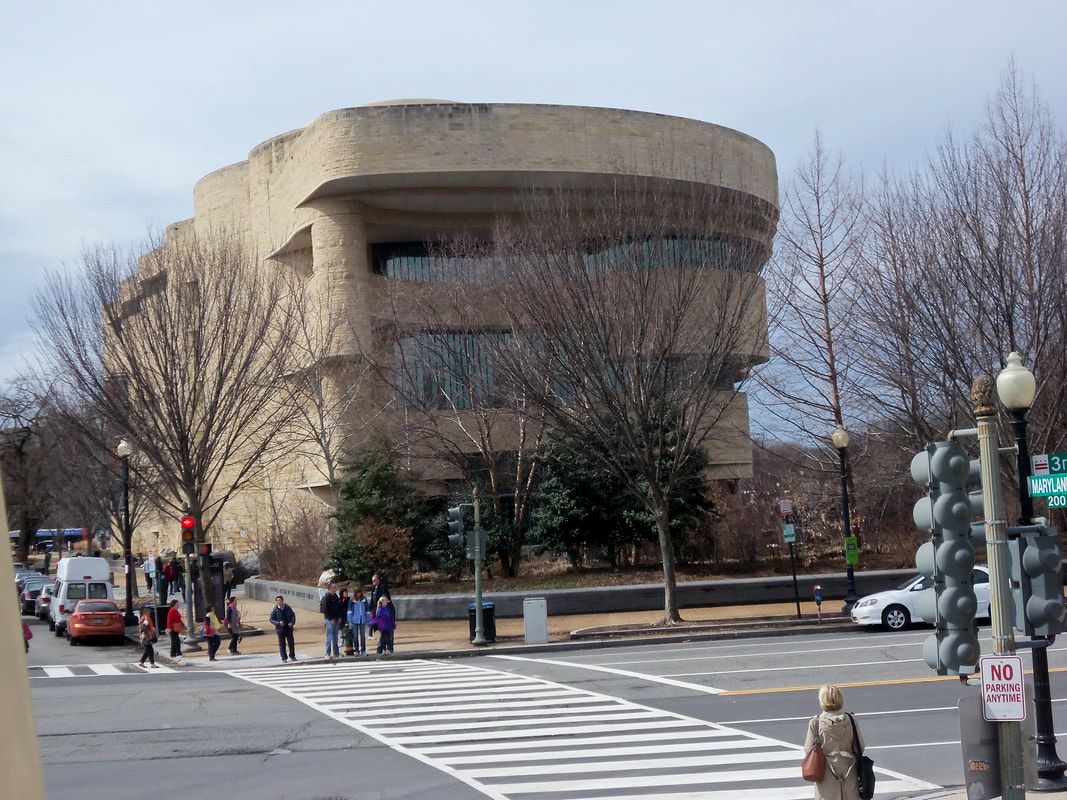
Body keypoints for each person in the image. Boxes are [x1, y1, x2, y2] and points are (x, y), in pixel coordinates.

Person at [804, 684, 865, 800]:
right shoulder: (851, 720)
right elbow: (860, 747)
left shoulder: (815, 723)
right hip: (849, 773)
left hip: (825, 776)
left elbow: (808, 750)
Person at [270, 595, 297, 662]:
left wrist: (292, 623)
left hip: (288, 628)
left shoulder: (288, 608)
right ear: (276, 602)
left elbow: (293, 616)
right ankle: (284, 657)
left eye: (280, 600)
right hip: (280, 629)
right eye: (278, 600)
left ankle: (292, 655)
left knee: (291, 643)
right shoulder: (275, 610)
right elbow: (271, 619)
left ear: (283, 600)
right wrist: (278, 623)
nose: (279, 602)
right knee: (282, 644)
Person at [320, 583, 342, 659]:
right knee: (329, 637)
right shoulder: (326, 597)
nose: (335, 588)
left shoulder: (336, 597)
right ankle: (327, 653)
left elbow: (339, 608)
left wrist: (339, 617)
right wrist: (330, 618)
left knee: (336, 637)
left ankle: (336, 652)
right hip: (329, 620)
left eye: (335, 587)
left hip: (336, 619)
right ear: (329, 588)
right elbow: (325, 610)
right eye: (333, 587)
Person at [347, 588, 370, 656]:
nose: (358, 594)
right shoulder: (351, 601)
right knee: (355, 636)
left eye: (359, 592)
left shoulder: (364, 600)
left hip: (362, 620)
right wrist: (350, 621)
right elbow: (349, 612)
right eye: (357, 593)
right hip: (354, 620)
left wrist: (367, 619)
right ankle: (356, 650)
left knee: (363, 636)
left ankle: (363, 650)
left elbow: (367, 611)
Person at [368, 574, 391, 638]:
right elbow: (372, 599)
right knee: (373, 620)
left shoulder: (383, 587)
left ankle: (385, 636)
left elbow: (385, 597)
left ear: (378, 580)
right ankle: (370, 634)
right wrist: (369, 608)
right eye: (372, 581)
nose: (373, 582)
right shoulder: (373, 589)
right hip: (374, 608)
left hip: (381, 608)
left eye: (374, 580)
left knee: (381, 622)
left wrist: (381, 605)